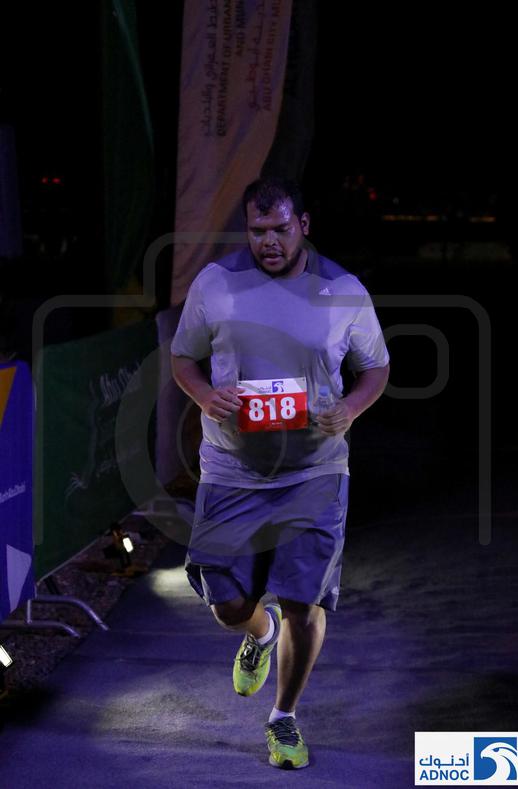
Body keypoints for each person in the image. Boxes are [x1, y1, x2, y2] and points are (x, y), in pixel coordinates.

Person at [171, 176, 390, 770]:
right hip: (232, 469)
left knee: (304, 600)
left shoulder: (342, 290)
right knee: (225, 601)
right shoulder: (216, 284)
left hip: (314, 471)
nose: (269, 241)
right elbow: (183, 356)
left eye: (281, 229)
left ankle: (283, 717)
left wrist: (350, 408)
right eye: (258, 230)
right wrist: (203, 395)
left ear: (304, 225)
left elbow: (375, 367)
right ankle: (260, 632)